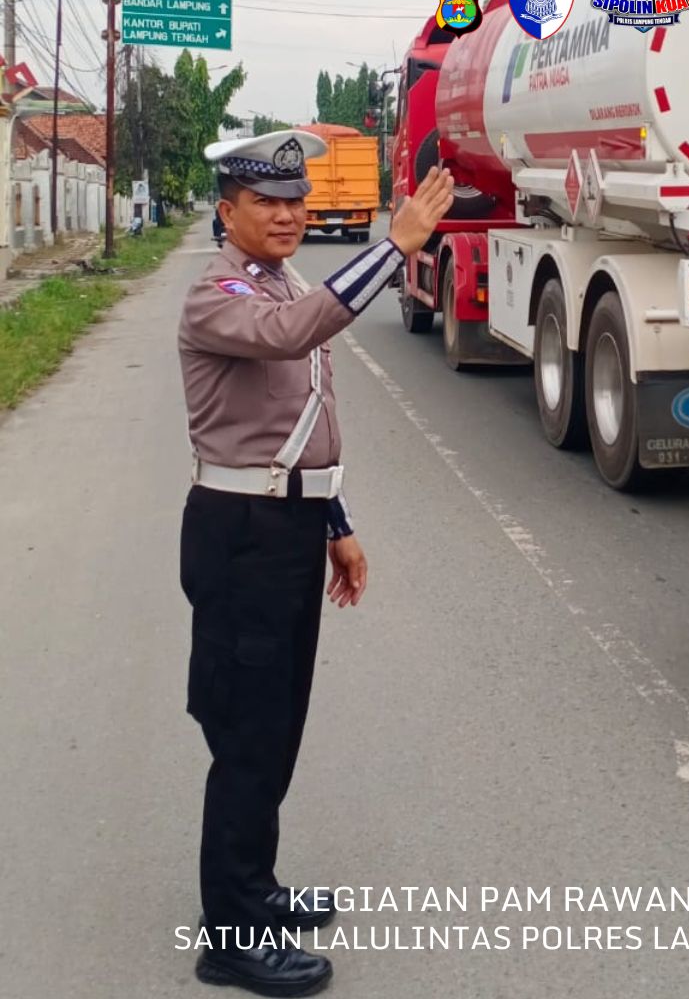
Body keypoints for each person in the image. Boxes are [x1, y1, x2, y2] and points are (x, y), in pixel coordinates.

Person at [178, 129, 453, 995]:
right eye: (268, 201)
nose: (290, 215)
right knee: (248, 735)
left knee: (279, 723)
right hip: (241, 535)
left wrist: (335, 519)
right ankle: (228, 937)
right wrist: (396, 245)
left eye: (297, 201)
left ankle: (255, 892)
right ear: (228, 211)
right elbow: (298, 335)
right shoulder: (215, 294)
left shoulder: (281, 278)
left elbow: (298, 422)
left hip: (288, 526)